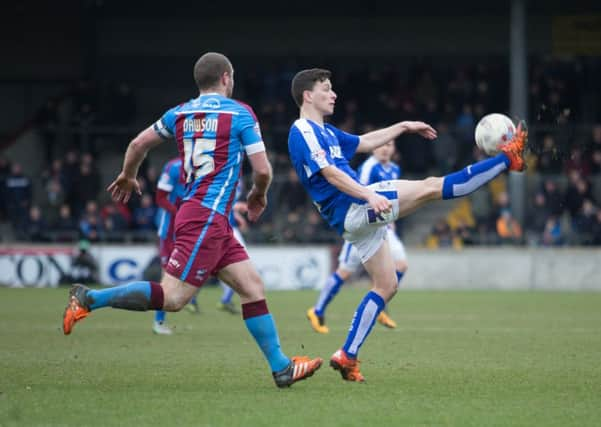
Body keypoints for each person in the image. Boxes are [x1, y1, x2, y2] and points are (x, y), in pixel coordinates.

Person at [62, 52, 322, 388]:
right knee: (173, 298)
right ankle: (89, 299)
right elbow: (262, 169)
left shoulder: (180, 113)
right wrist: (258, 195)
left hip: (208, 217)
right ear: (227, 77)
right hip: (206, 218)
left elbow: (139, 143)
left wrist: (128, 174)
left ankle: (281, 368)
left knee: (252, 287)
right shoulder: (240, 114)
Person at [287, 68, 527, 382]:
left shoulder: (328, 132)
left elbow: (365, 141)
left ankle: (347, 355)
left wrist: (403, 126)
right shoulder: (303, 130)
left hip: (353, 217)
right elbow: (331, 173)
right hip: (355, 206)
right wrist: (368, 197)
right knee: (431, 187)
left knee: (387, 285)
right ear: (308, 95)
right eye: (326, 89)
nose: (334, 94)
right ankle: (508, 159)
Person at [306, 141, 407, 333]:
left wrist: (390, 217)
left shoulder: (394, 168)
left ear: (394, 149)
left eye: (390, 145)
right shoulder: (369, 167)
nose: (385, 148)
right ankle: (317, 310)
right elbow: (359, 192)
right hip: (363, 225)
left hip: (383, 226)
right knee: (344, 272)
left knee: (401, 264)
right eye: (382, 145)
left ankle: (380, 305)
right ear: (374, 148)